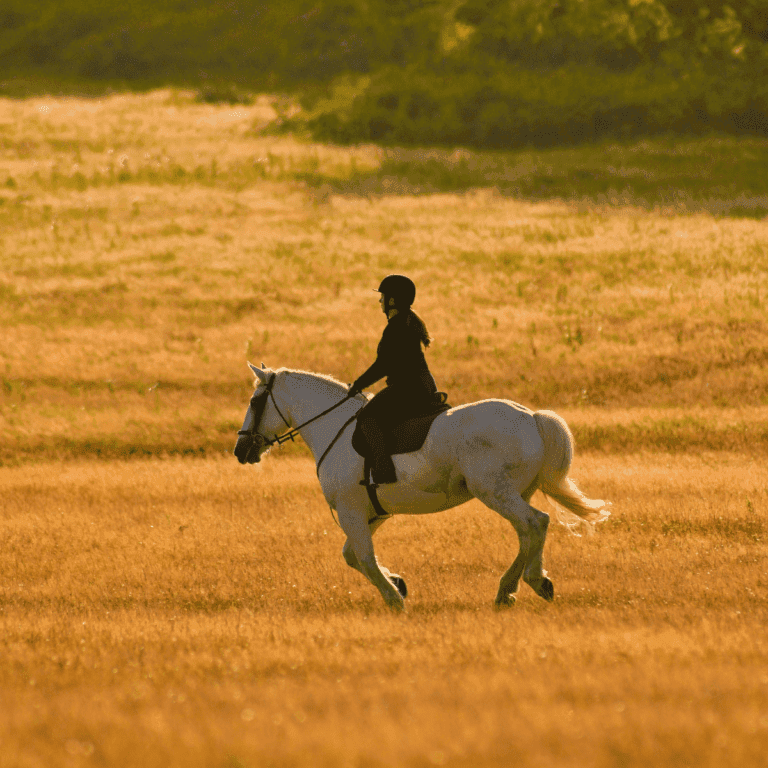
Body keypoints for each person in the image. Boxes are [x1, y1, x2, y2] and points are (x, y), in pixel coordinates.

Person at [348, 274, 438, 485]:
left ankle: (383, 470)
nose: (380, 301)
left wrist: (358, 385)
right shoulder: (407, 322)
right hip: (420, 386)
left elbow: (383, 365)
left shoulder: (397, 326)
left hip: (408, 388)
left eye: (383, 296)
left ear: (392, 300)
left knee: (367, 418)